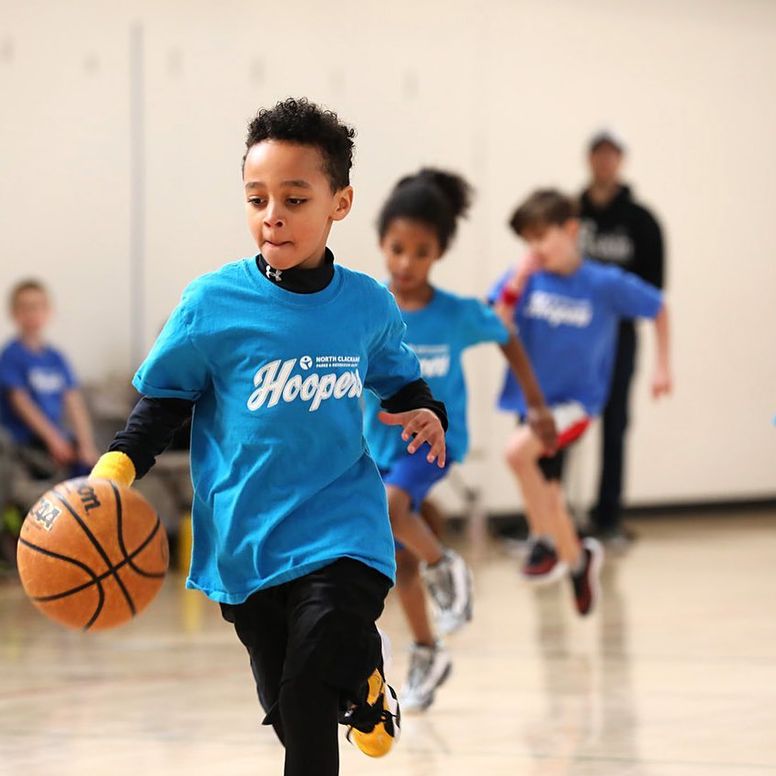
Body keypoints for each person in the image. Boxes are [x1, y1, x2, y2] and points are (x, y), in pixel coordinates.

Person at [90, 98, 449, 776]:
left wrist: (426, 411)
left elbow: (400, 381)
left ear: (339, 203)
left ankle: (348, 673)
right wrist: (111, 473)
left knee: (307, 689)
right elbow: (162, 405)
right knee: (289, 710)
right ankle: (368, 687)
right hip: (246, 542)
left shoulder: (367, 303)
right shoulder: (212, 304)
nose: (272, 215)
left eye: (294, 196)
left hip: (344, 531)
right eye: (257, 198)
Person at [364, 169, 556, 711]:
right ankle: (428, 648)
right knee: (397, 560)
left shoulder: (455, 314)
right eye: (397, 248)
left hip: (432, 443)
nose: (405, 262)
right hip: (373, 450)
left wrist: (537, 407)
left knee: (393, 506)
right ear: (381, 242)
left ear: (439, 253)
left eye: (420, 252)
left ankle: (446, 566)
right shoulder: (368, 308)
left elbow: (508, 336)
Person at [493, 189, 671, 616]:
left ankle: (544, 543)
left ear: (571, 230)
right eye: (528, 240)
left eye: (542, 237)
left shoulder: (602, 282)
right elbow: (497, 328)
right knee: (551, 495)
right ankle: (578, 561)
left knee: (517, 454)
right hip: (533, 403)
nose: (535, 249)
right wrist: (516, 283)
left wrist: (662, 367)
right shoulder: (525, 278)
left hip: (575, 404)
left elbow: (659, 307)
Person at [579, 129, 666, 544]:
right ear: (589, 160)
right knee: (558, 424)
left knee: (615, 425)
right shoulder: (570, 213)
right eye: (598, 155)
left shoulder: (641, 221)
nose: (604, 162)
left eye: (612, 155)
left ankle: (608, 515)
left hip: (618, 338)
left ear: (621, 161)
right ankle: (549, 516)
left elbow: (654, 290)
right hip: (572, 334)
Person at [0, 279, 99, 481]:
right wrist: (53, 440)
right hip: (25, 442)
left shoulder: (56, 358)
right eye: (25, 308)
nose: (32, 313)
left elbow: (74, 402)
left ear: (48, 311)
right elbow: (21, 403)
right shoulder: (11, 355)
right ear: (14, 313)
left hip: (56, 437)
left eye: (37, 307)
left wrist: (86, 445)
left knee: (90, 469)